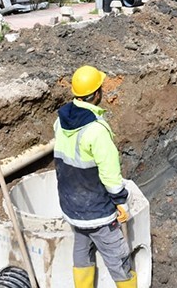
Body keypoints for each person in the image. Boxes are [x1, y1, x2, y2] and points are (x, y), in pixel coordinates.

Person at [54, 65, 136, 288]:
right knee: (120, 261)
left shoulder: (60, 122)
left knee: (82, 254)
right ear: (97, 94)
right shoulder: (97, 130)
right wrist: (120, 202)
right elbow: (110, 176)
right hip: (97, 212)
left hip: (72, 208)